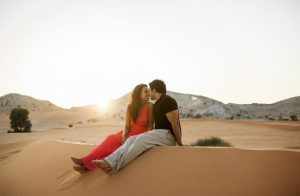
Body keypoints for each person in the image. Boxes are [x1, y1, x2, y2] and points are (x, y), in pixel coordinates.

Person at [92, 79, 182, 173]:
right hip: (159, 135)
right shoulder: (157, 103)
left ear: (154, 90)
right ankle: (108, 160)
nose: (149, 93)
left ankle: (113, 167)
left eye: (150, 90)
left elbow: (175, 124)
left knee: (140, 140)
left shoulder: (168, 101)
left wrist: (180, 144)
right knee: (130, 139)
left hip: (168, 136)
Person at [71, 84, 153, 173]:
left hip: (141, 134)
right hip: (129, 132)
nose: (149, 93)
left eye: (148, 91)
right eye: (146, 91)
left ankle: (85, 165)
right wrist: (124, 135)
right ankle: (85, 163)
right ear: (138, 94)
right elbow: (127, 126)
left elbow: (151, 126)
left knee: (115, 144)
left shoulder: (150, 106)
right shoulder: (130, 107)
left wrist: (146, 138)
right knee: (110, 139)